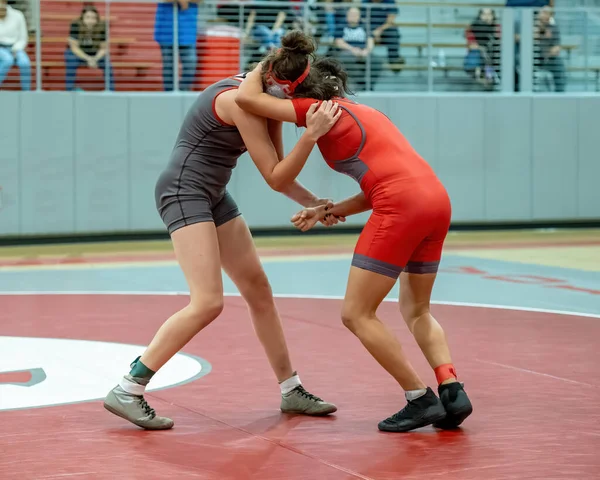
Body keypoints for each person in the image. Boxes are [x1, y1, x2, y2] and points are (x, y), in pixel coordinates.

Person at [103, 31, 343, 430]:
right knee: (208, 301)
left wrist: (314, 203)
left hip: (211, 193)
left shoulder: (262, 95)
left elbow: (282, 175)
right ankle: (128, 388)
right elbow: (272, 175)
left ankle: (291, 389)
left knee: (257, 288)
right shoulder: (239, 102)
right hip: (184, 191)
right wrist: (313, 136)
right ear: (280, 85)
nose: (295, 110)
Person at [235, 40, 473, 433]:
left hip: (401, 207)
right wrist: (326, 210)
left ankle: (420, 398)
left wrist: (272, 62)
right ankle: (450, 387)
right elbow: (381, 182)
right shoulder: (365, 111)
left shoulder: (313, 111)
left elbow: (247, 100)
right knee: (417, 310)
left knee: (356, 313)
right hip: (435, 201)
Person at [65, 5, 114, 91]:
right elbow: (74, 48)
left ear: (97, 19)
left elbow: (104, 48)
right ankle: (70, 89)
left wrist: (95, 58)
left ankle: (110, 90)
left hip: (95, 54)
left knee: (107, 63)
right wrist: (88, 59)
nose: (90, 20)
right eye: (87, 17)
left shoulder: (102, 27)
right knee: (71, 59)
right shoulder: (75, 25)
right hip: (78, 53)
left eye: (93, 18)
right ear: (82, 18)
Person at [0, 0, 30, 91]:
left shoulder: (18, 15)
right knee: (7, 60)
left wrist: (15, 49)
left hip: (16, 47)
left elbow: (23, 38)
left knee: (25, 63)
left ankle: (26, 91)